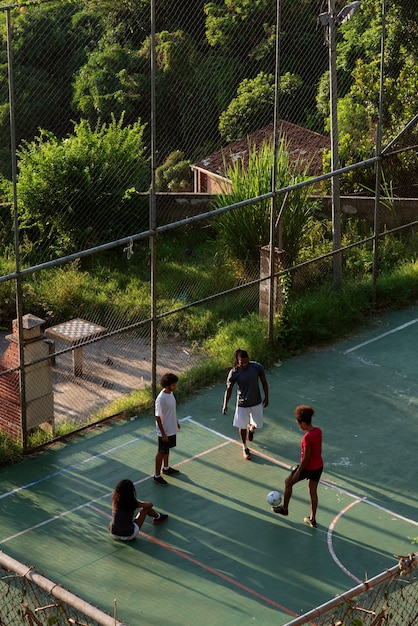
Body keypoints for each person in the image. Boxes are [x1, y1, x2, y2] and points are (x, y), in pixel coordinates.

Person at [273, 405, 323, 528]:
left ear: (304, 423)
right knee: (313, 492)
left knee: (288, 483)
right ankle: (313, 519)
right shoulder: (318, 431)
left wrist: (298, 472)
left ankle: (285, 509)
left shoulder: (307, 437)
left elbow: (306, 458)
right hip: (318, 466)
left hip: (307, 468)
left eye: (299, 424)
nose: (299, 426)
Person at [222, 348, 269, 460]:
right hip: (242, 403)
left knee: (257, 424)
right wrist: (225, 404)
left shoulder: (257, 367)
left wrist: (267, 397)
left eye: (245, 361)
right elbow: (229, 389)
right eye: (240, 362)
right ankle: (244, 447)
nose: (243, 364)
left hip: (256, 401)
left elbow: (264, 382)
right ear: (237, 361)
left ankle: (251, 429)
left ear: (248, 359)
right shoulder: (234, 372)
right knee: (241, 426)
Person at [153, 372, 181, 485]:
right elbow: (158, 417)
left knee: (167, 449)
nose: (175, 387)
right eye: (173, 385)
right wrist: (163, 433)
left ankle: (166, 468)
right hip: (164, 430)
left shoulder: (170, 394)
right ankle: (156, 475)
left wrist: (176, 422)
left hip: (171, 428)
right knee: (161, 452)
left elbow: (171, 411)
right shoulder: (161, 399)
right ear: (167, 385)